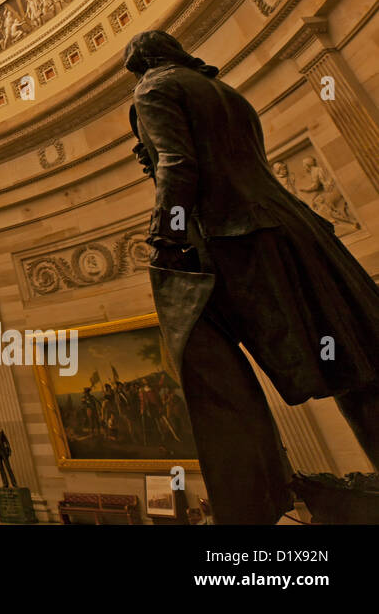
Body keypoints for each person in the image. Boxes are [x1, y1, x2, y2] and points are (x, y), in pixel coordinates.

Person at [126, 30, 379, 523]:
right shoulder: (226, 92)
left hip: (236, 239)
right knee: (355, 360)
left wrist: (166, 237)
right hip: (295, 227)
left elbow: (181, 167)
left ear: (141, 66)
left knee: (210, 367)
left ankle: (254, 503)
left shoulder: (153, 89)